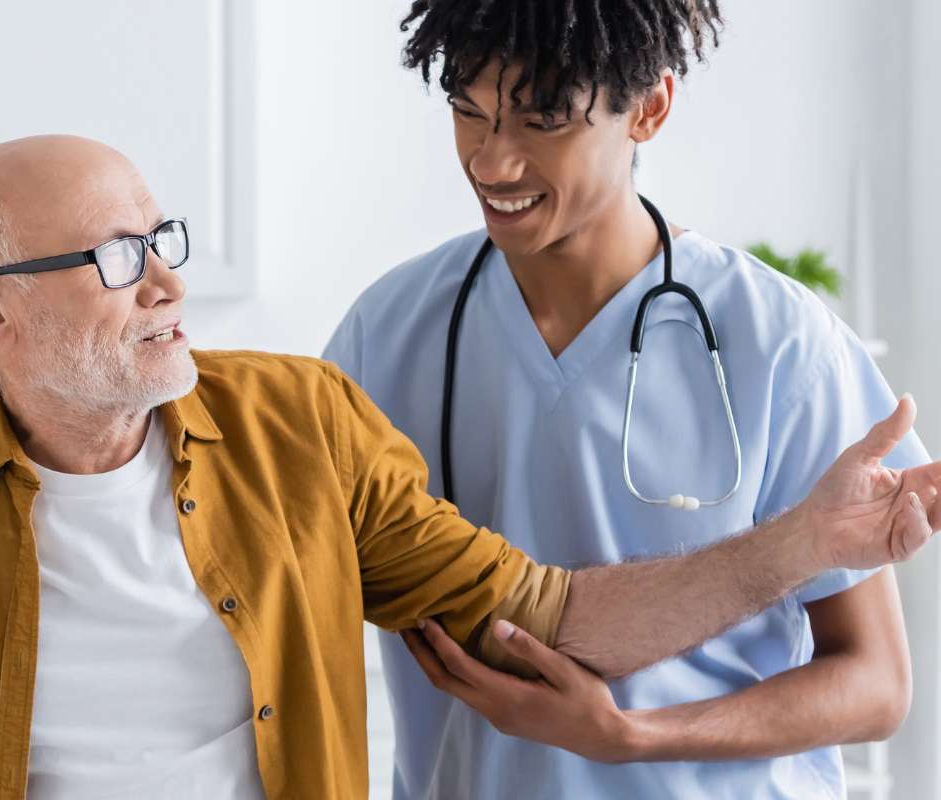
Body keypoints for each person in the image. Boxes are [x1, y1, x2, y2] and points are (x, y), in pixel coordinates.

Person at [0, 136, 939, 800]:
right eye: (119, 256)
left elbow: (554, 614)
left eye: (161, 238)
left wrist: (807, 543)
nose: (169, 281)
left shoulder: (303, 425)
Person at [323, 2, 928, 798]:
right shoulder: (388, 333)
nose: (492, 163)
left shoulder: (778, 339)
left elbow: (877, 684)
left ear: (649, 108)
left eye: (542, 123)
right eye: (469, 114)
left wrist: (629, 740)